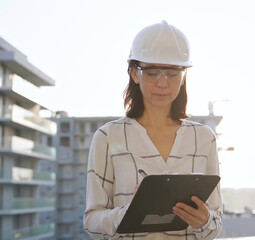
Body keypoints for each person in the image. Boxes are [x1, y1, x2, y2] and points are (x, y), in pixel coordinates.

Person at [83, 20, 223, 240]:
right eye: (152, 72)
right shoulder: (108, 137)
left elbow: (216, 224)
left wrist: (205, 220)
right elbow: (91, 222)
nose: (162, 83)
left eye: (172, 73)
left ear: (183, 75)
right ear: (134, 73)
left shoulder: (204, 138)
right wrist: (130, 212)